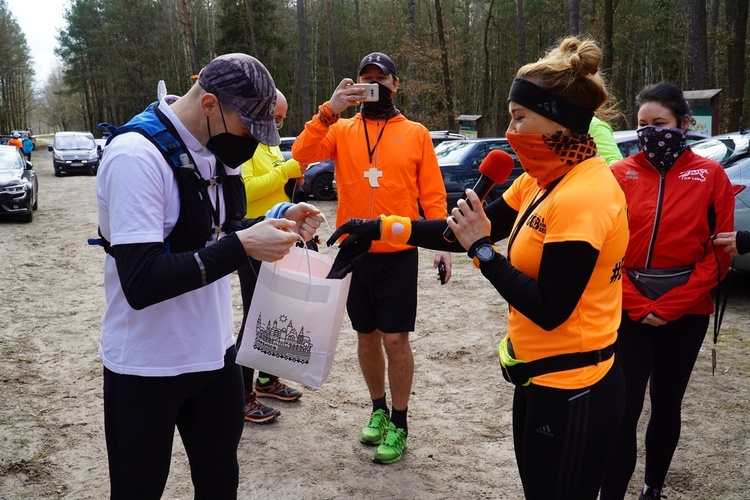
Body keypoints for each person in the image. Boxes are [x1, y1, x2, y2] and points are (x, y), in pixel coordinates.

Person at [326, 38, 628, 497]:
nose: (510, 130)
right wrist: (376, 227)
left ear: (560, 121)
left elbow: (550, 308)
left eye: (519, 117)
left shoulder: (585, 195)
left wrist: (484, 252)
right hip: (536, 376)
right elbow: (454, 229)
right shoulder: (540, 179)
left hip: (576, 385)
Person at [95, 53, 323, 497]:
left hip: (215, 354)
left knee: (220, 482)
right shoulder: (135, 157)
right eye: (247, 131)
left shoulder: (218, 147)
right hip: (146, 364)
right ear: (210, 104)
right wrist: (241, 247)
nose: (251, 145)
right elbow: (141, 281)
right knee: (137, 490)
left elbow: (217, 229)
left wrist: (278, 216)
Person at [292, 51, 452, 464]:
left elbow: (432, 194)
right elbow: (302, 157)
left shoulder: (416, 132)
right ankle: (378, 409)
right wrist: (330, 109)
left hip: (399, 251)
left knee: (396, 339)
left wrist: (442, 247)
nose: (374, 85)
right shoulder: (343, 128)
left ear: (396, 84)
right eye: (366, 79)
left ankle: (400, 422)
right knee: (366, 337)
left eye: (381, 79)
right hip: (354, 250)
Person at [600, 82, 735, 500]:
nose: (650, 132)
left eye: (659, 123)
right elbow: (605, 249)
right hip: (628, 307)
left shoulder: (711, 175)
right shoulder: (618, 174)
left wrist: (673, 305)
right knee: (623, 409)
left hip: (688, 311)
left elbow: (720, 252)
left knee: (667, 404)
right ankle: (612, 494)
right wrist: (638, 304)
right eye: (642, 125)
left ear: (683, 124)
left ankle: (653, 487)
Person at [237, 89, 306, 424]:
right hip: (254, 238)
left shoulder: (270, 143)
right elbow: (246, 190)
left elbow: (280, 186)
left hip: (278, 237)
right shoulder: (245, 142)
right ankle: (241, 396)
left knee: (275, 314)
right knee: (256, 317)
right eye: (274, 117)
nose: (278, 124)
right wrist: (286, 170)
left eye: (282, 118)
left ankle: (265, 380)